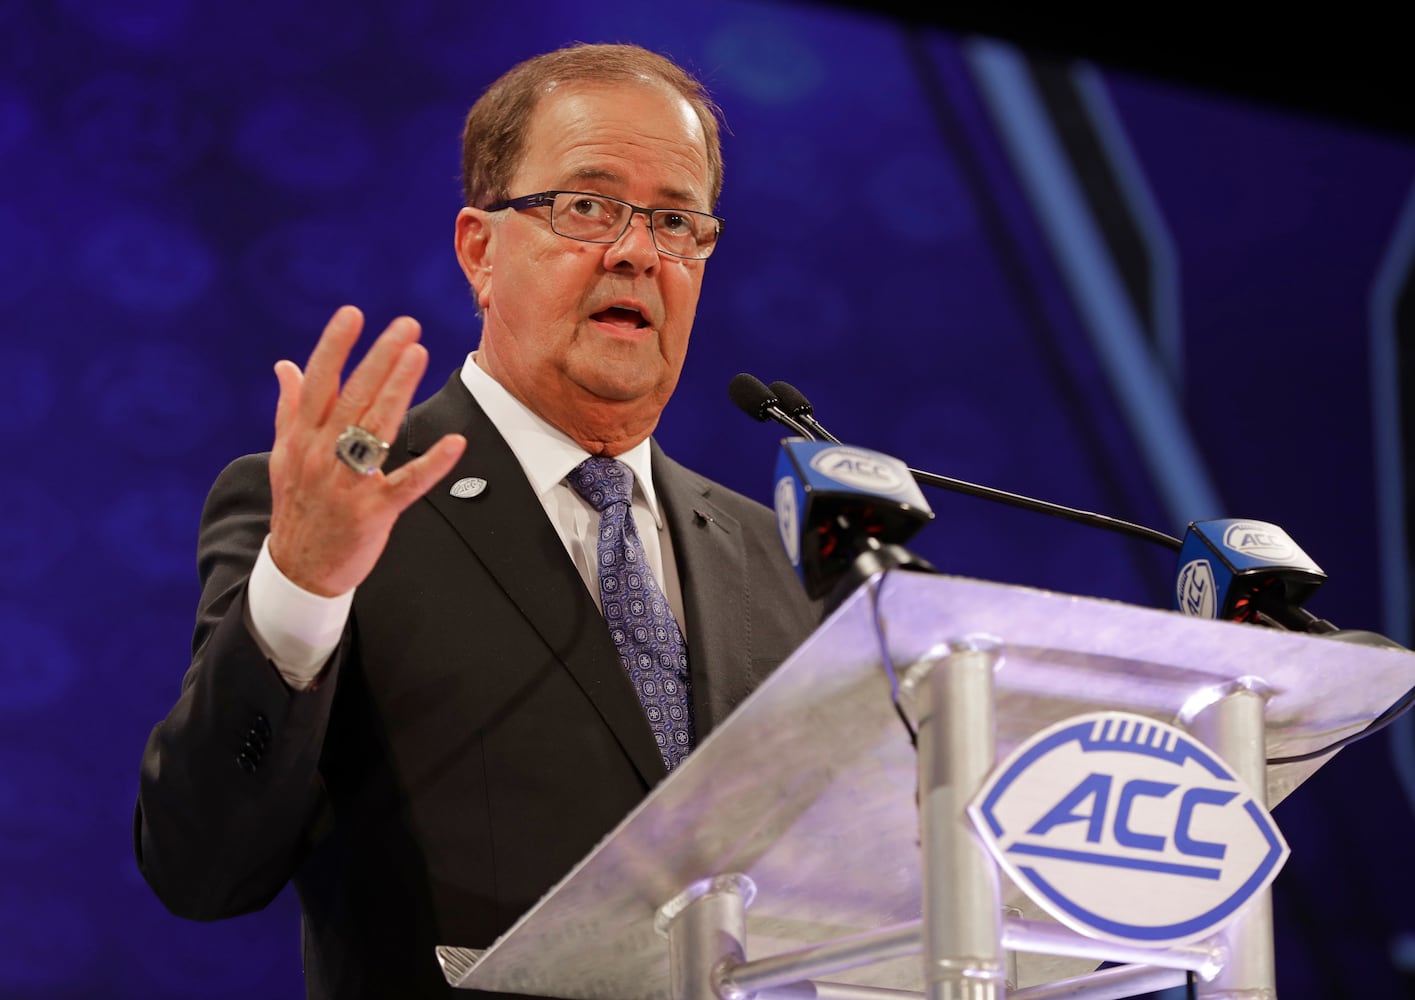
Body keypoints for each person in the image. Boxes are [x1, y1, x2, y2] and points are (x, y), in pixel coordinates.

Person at [135, 42, 821, 999]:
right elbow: (201, 869)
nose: (635, 251)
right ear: (478, 249)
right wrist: (301, 590)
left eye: (675, 221)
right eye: (587, 206)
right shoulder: (326, 516)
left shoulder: (770, 553)